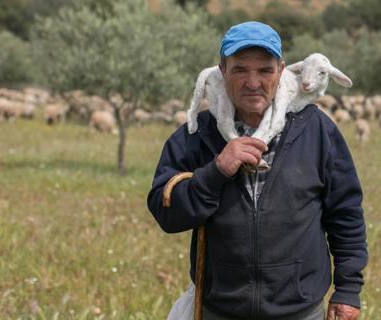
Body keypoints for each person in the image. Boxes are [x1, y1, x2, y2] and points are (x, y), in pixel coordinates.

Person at [147, 21, 367, 320]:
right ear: (222, 71)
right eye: (240, 70)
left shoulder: (317, 130)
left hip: (300, 311)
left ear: (282, 71)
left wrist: (348, 290)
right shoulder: (196, 135)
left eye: (264, 70)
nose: (253, 82)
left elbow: (345, 213)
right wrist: (216, 172)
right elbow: (167, 213)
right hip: (220, 310)